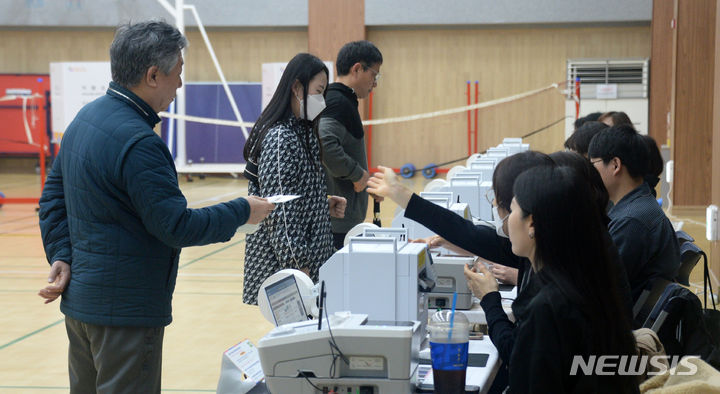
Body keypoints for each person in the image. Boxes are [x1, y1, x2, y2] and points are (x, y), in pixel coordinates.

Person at [37, 20, 274, 393]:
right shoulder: (139, 143)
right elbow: (175, 226)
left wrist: (61, 254)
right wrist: (243, 210)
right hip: (125, 316)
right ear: (152, 75)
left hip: (83, 307)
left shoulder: (84, 119)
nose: (179, 85)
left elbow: (51, 201)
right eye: (177, 74)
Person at [464, 166, 639, 392]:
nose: (506, 222)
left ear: (533, 224)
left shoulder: (548, 307)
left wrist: (490, 299)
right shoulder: (589, 278)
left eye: (513, 209)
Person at [242, 53, 346, 305]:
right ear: (297, 88)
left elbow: (297, 192)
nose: (322, 100)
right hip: (293, 266)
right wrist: (298, 267)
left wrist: (323, 203)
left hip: (310, 258)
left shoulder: (302, 131)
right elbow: (280, 212)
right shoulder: (280, 138)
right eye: (318, 91)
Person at [588, 125, 680, 301]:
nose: (590, 172)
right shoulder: (637, 206)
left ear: (615, 164)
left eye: (593, 164)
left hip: (620, 323)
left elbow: (597, 286)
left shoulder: (632, 221)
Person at [318, 40, 383, 249]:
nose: (375, 83)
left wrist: (367, 181)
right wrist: (358, 174)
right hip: (337, 222)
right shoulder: (338, 101)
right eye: (374, 75)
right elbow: (325, 143)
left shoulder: (342, 100)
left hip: (342, 220)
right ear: (357, 69)